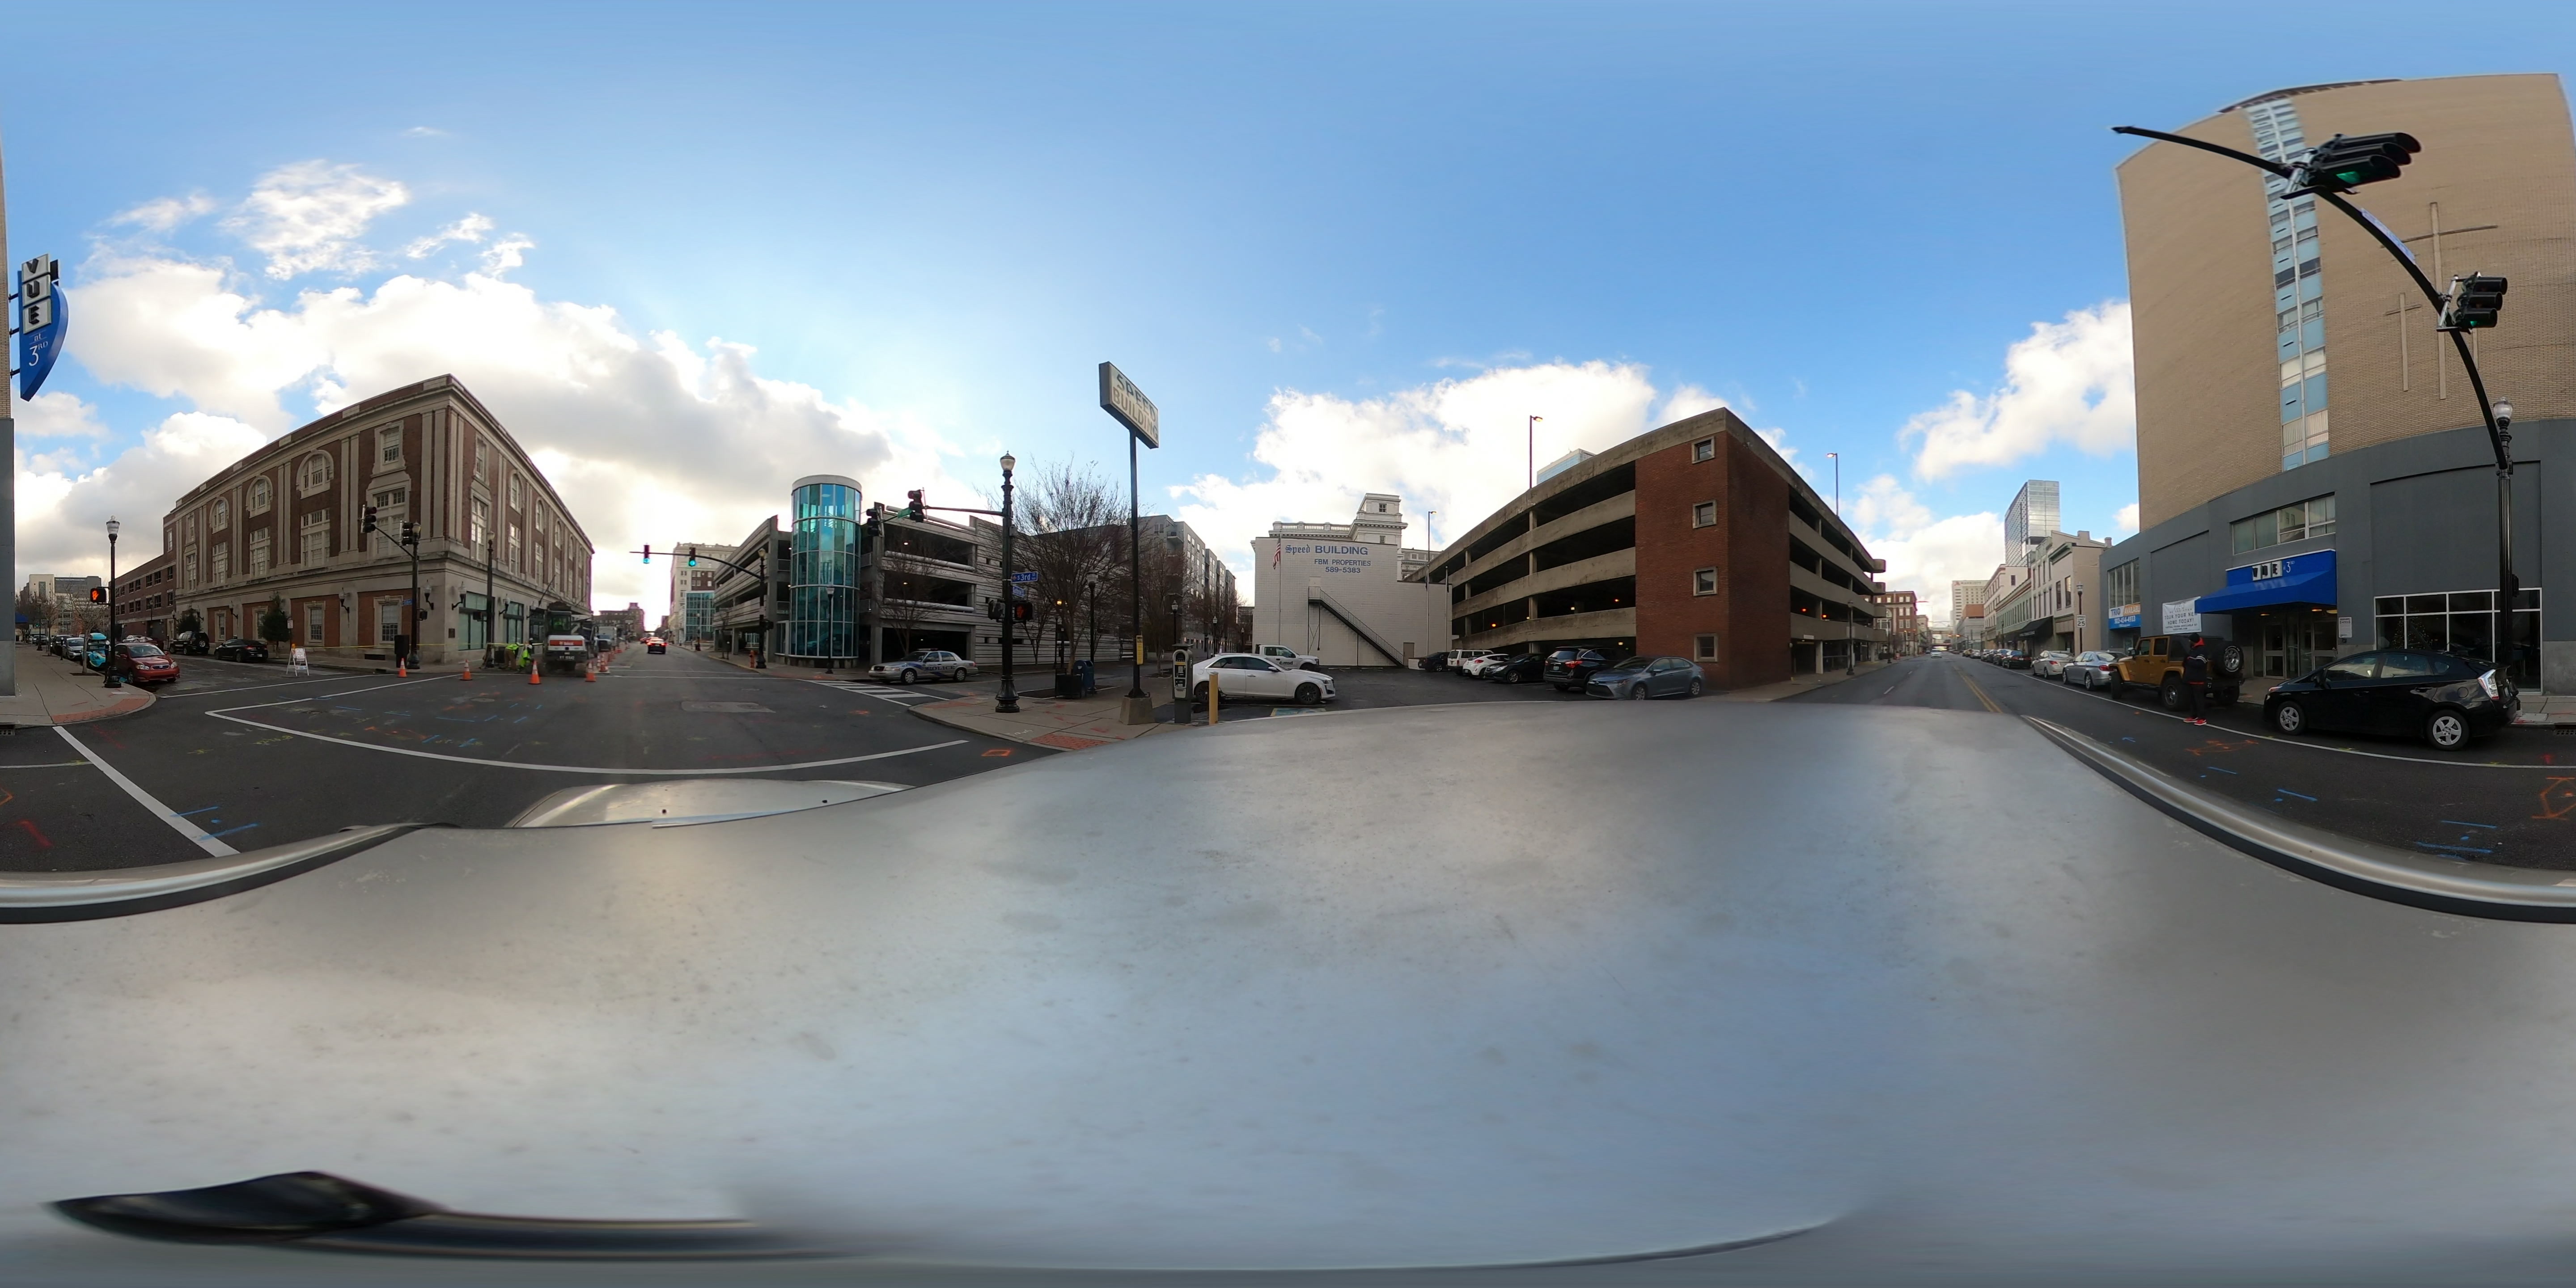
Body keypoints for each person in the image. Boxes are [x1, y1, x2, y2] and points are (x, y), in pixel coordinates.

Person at [2182, 634, 2210, 725]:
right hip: (2191, 678)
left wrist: (2189, 660)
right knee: (2192, 699)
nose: (2189, 642)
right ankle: (2193, 716)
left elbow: (2200, 664)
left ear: (2194, 641)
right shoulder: (2193, 649)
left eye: (2190, 640)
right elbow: (2186, 662)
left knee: (2199, 700)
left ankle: (2202, 718)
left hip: (2199, 679)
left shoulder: (2202, 650)